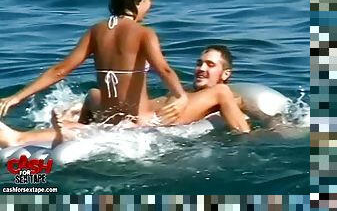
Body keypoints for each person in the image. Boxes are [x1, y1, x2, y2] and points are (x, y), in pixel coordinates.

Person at [0, 0, 188, 125]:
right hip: (137, 121)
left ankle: (75, 126)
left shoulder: (95, 31)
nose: (151, 5)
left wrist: (17, 96)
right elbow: (164, 70)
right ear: (138, 1)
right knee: (184, 97)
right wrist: (181, 97)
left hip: (106, 117)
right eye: (149, 0)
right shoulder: (144, 34)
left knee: (92, 95)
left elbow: (60, 70)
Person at [0, 45, 250, 147]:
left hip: (144, 126)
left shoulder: (222, 91)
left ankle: (19, 137)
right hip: (131, 114)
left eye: (209, 65)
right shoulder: (185, 93)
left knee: (100, 123)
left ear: (226, 74)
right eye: (199, 62)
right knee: (94, 95)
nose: (201, 68)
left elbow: (242, 130)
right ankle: (71, 124)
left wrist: (268, 130)